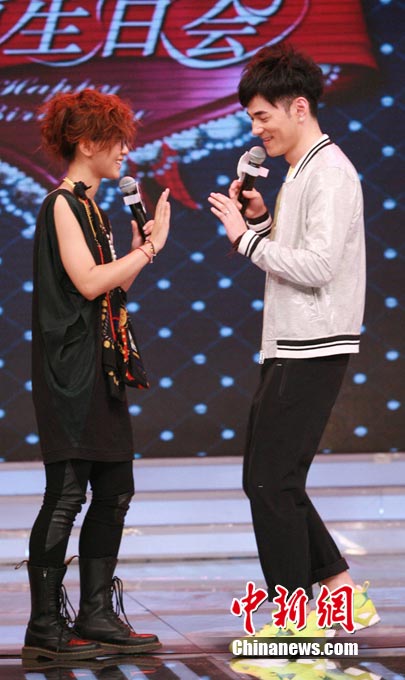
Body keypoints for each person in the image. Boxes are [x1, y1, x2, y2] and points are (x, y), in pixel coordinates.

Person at [208, 44, 380, 636]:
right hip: (292, 343)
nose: (256, 130)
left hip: (314, 344)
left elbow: (319, 266)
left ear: (298, 107)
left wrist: (245, 239)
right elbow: (300, 253)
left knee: (270, 483)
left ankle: (296, 622)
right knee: (268, 479)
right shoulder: (303, 170)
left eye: (262, 116)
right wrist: (261, 221)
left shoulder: (329, 172)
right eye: (252, 119)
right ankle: (339, 593)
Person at [23, 88, 170, 661]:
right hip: (71, 371)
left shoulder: (93, 209)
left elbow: (107, 288)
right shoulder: (61, 204)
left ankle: (97, 612)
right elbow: (87, 283)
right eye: (116, 141)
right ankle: (44, 623)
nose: (124, 152)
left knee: (114, 490)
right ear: (86, 143)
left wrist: (137, 253)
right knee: (66, 494)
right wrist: (148, 252)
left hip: (102, 366)